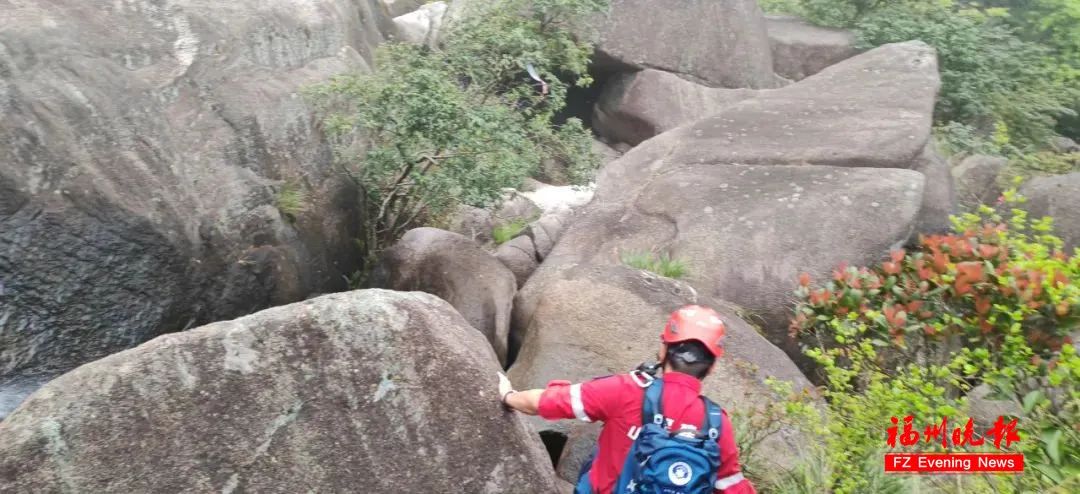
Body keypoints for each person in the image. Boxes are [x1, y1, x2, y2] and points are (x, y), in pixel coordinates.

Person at [498, 305, 756, 494]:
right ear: (711, 367)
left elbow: (548, 402)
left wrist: (509, 396)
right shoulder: (716, 423)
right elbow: (733, 486)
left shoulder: (628, 390)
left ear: (664, 348)